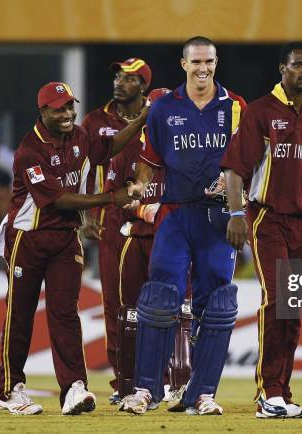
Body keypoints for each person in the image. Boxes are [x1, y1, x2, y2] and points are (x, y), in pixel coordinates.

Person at [0, 81, 143, 416]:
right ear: (42, 111)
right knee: (20, 314)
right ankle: (9, 389)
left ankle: (74, 387)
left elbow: (110, 145)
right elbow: (60, 200)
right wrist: (111, 198)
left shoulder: (79, 136)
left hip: (64, 238)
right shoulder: (30, 149)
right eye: (58, 108)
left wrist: (142, 119)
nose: (67, 114)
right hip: (27, 239)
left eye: (70, 106)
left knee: (64, 313)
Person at [118, 36, 246, 416]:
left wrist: (239, 212)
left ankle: (202, 393)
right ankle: (146, 390)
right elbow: (149, 160)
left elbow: (246, 163)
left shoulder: (236, 107)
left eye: (209, 61)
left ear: (216, 62)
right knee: (158, 299)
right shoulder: (162, 108)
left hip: (217, 217)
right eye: (196, 62)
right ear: (183, 64)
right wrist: (139, 187)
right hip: (174, 213)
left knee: (218, 304)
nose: (203, 68)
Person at [221, 41, 302, 419]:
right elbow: (235, 170)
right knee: (277, 301)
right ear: (281, 69)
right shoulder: (261, 111)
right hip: (268, 220)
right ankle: (268, 393)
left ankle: (283, 391)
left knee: (294, 309)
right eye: (298, 65)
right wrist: (237, 215)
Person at [81, 57, 154, 403]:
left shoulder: (160, 115)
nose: (118, 84)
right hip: (111, 218)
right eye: (117, 78)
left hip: (157, 216)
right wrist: (88, 212)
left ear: (143, 85)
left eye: (128, 79)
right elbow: (83, 166)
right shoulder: (96, 120)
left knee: (158, 302)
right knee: (116, 304)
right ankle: (123, 381)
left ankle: (161, 379)